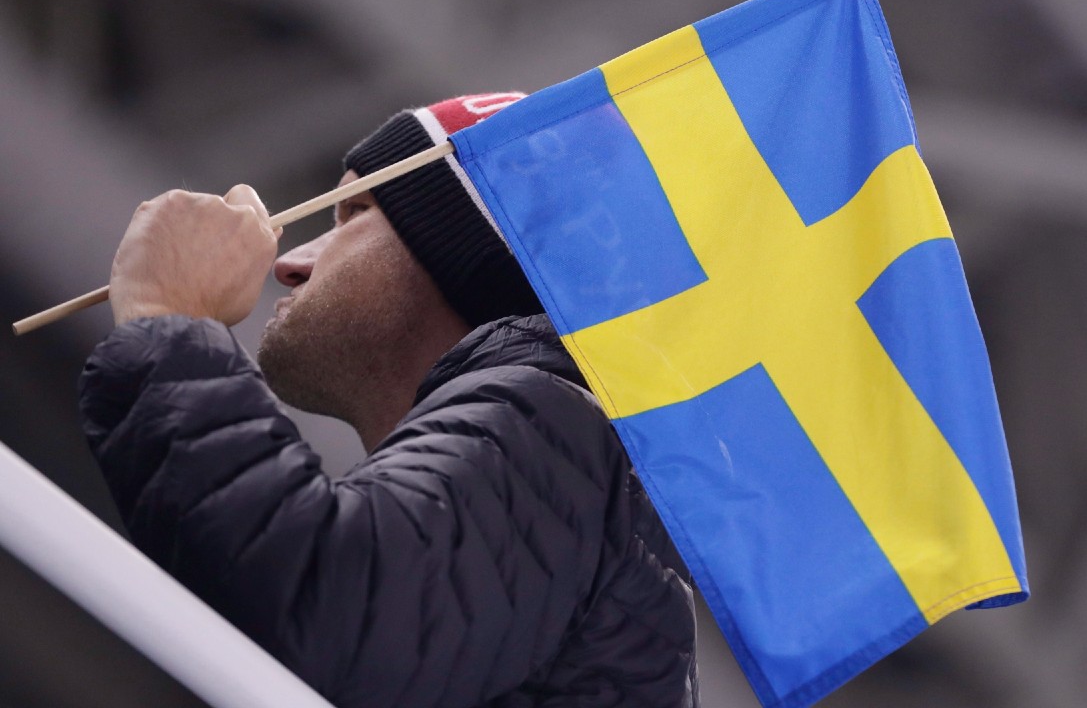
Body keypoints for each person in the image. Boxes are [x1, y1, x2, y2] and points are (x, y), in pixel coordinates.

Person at [79, 94, 698, 708]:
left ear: (465, 257)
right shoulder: (556, 466)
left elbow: (325, 612)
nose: (290, 264)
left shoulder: (557, 431)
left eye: (350, 213)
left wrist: (170, 320)